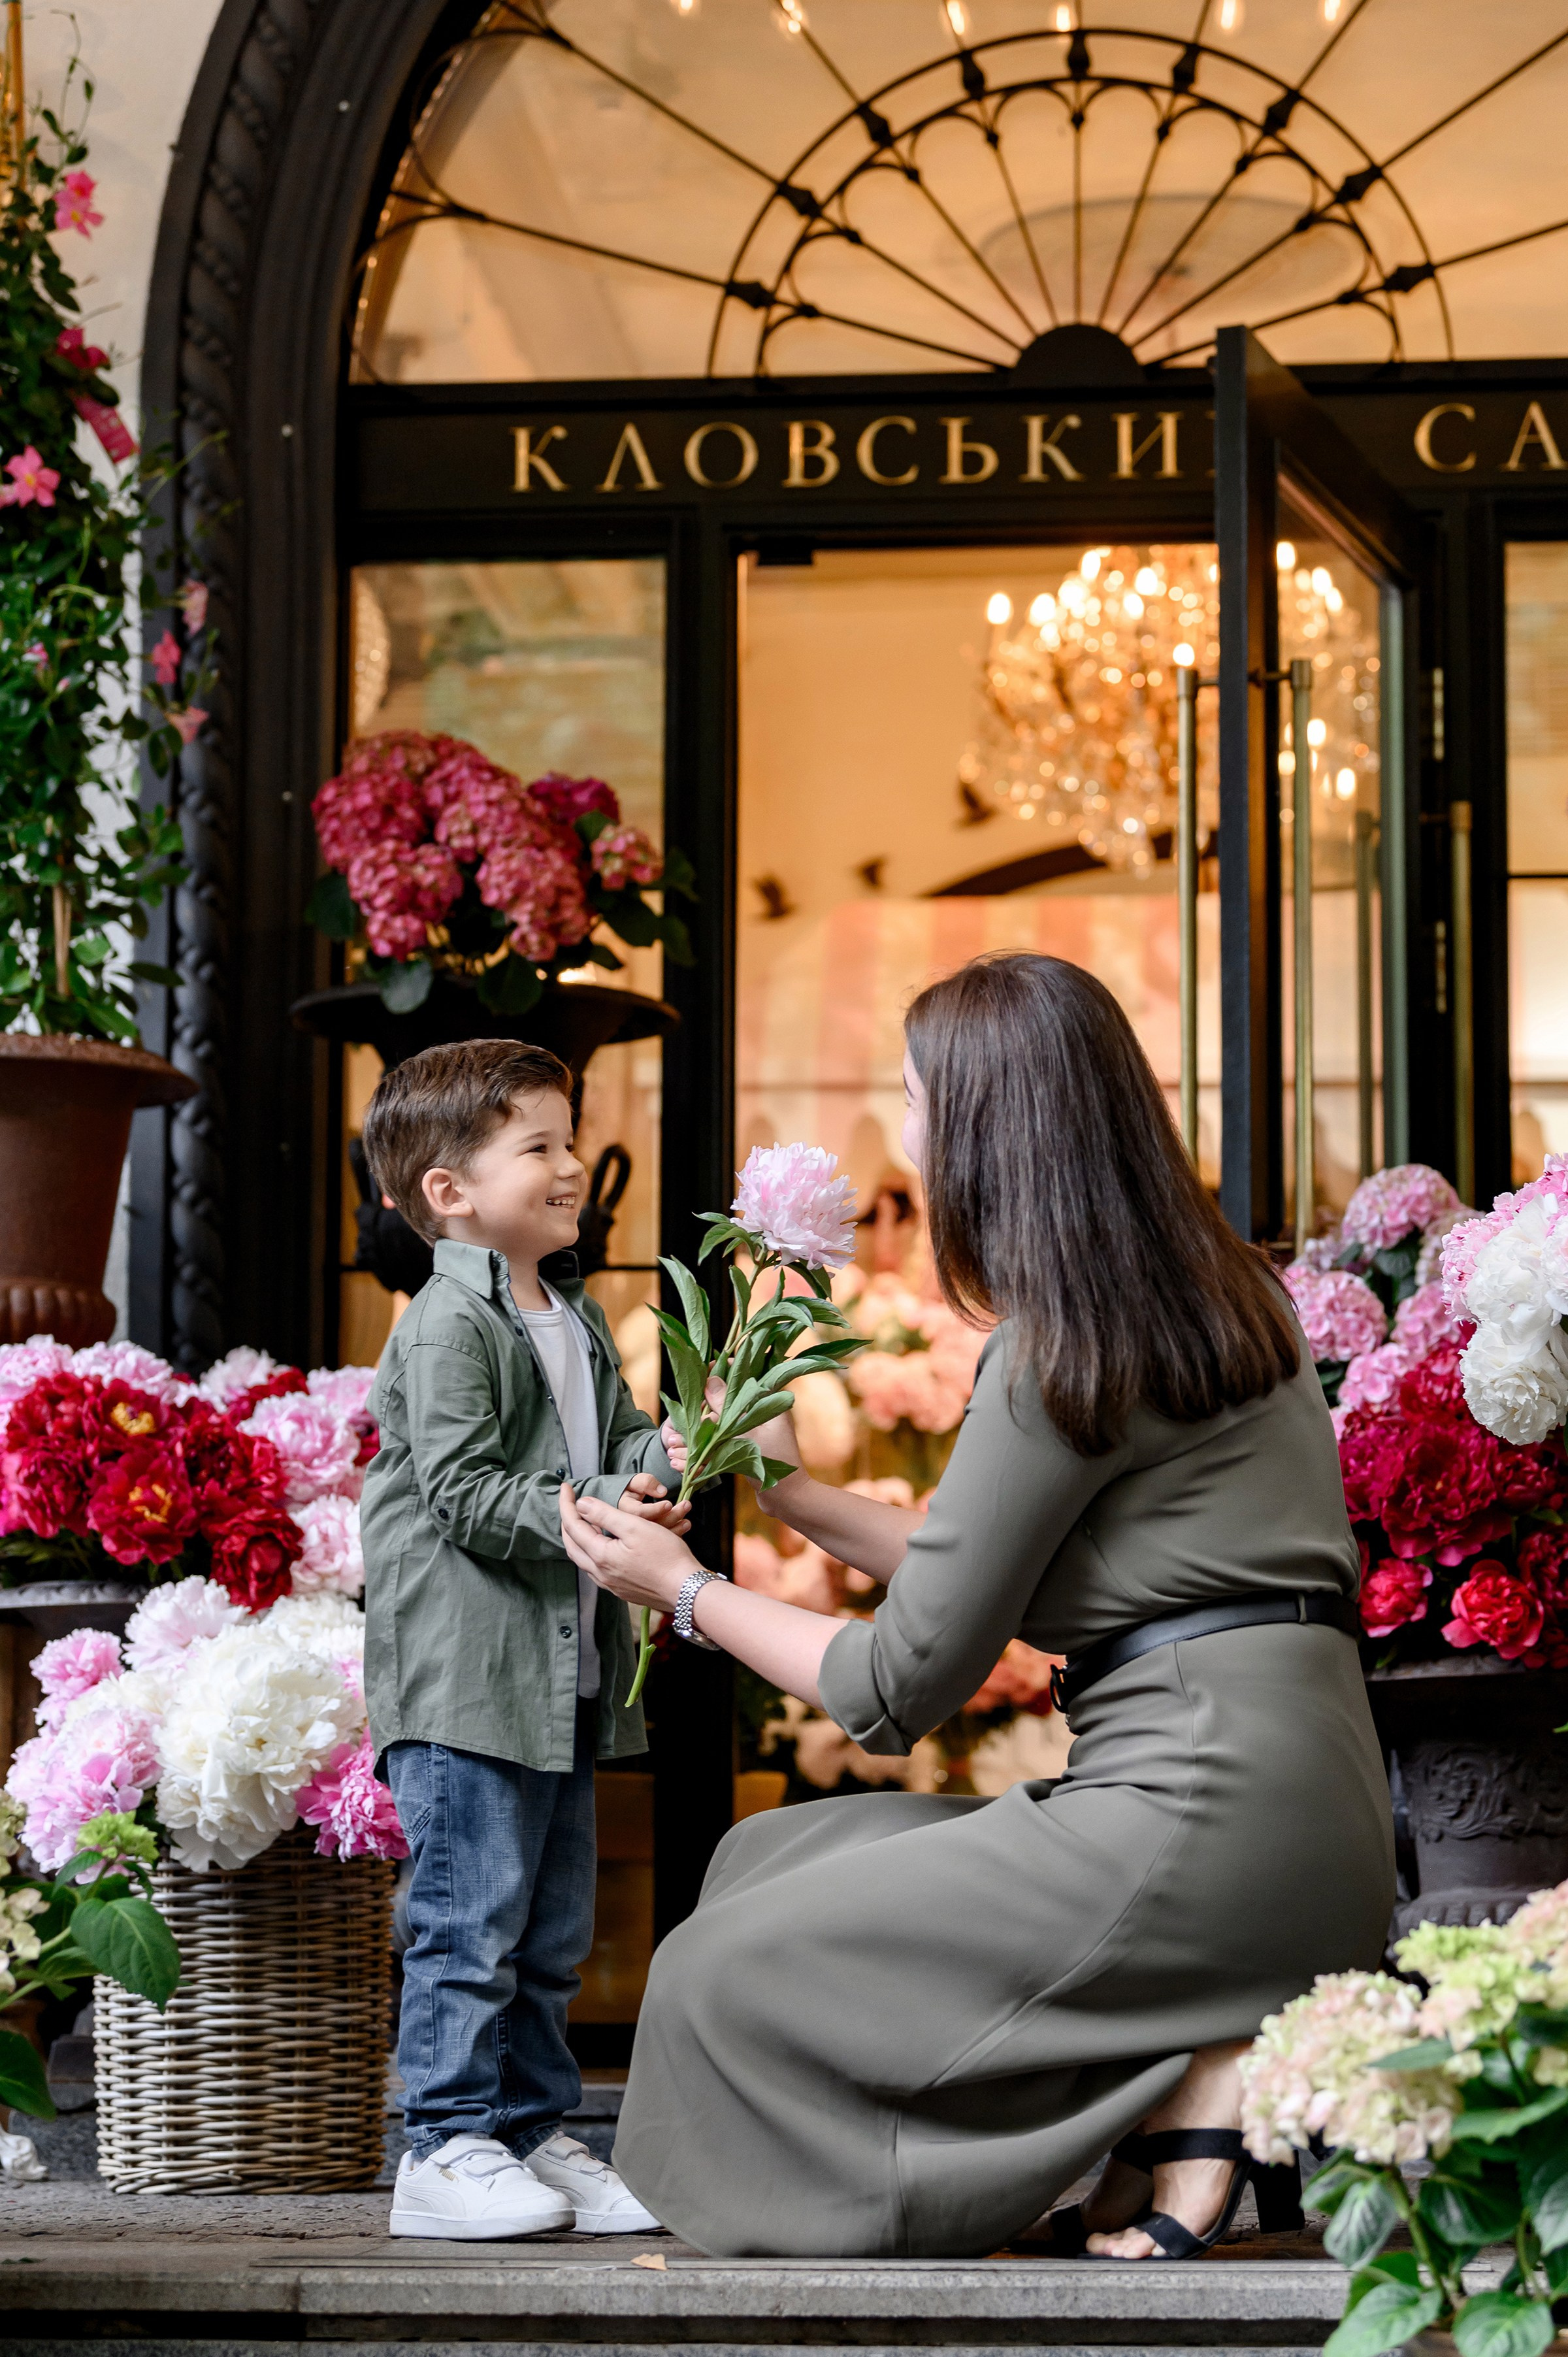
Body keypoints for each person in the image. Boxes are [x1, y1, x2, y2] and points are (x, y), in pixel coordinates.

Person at [559, 951, 1394, 2261]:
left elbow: (895, 1689)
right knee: (760, 1860)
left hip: (1191, 1830)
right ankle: (1177, 2078)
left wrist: (685, 1590)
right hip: (1309, 1822)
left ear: (988, 1127)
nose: (902, 1129)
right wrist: (793, 1497)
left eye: (914, 1095)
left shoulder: (1058, 1346)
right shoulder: (1225, 1303)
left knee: (715, 1970)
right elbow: (980, 1565)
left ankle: (1144, 2109)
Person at [360, 1038, 685, 2241]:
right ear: (450, 1193)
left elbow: (616, 1442)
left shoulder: (575, 1315)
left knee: (549, 1935)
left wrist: (658, 1469)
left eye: (567, 1139)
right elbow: (458, 1489)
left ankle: (532, 2132)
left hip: (559, 1679)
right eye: (538, 1147)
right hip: (467, 1684)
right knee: (467, 1921)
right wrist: (585, 1511)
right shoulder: (449, 1322)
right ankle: (441, 2147)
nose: (570, 1167)